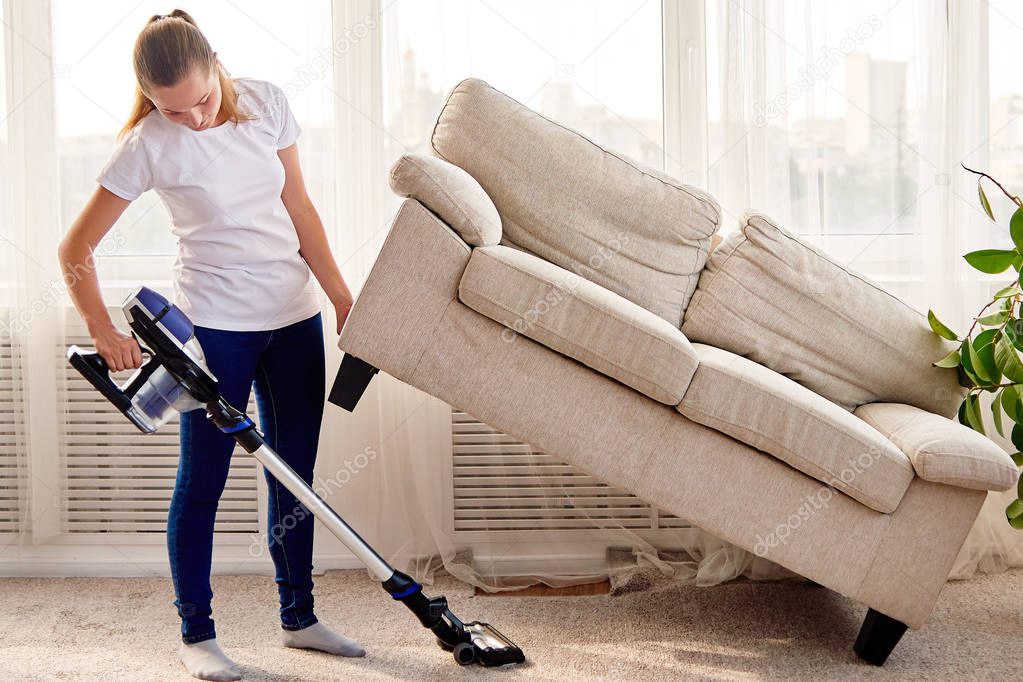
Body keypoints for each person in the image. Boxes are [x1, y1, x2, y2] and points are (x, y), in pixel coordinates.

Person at [57, 9, 363, 681]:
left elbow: (299, 207)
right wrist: (103, 332)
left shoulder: (265, 102)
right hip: (213, 328)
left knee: (294, 476)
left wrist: (340, 295)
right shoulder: (146, 143)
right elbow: (75, 247)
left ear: (216, 63)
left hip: (292, 317)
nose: (192, 118)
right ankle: (196, 634)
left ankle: (299, 619)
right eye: (174, 109)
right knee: (203, 482)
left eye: (200, 100)